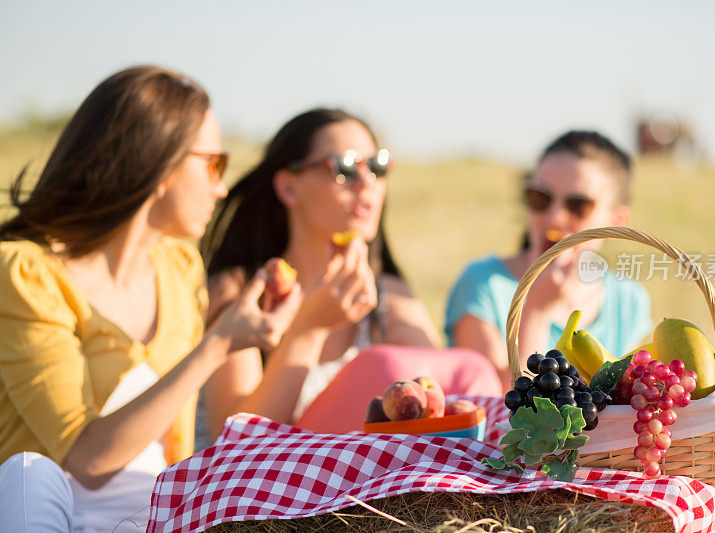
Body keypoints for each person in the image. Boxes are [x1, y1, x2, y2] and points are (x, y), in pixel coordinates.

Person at [0, 66, 302, 532]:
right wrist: (219, 345)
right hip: (44, 512)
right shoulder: (26, 273)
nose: (221, 187)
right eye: (213, 164)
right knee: (29, 473)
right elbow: (85, 459)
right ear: (159, 162)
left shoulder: (180, 269)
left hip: (152, 515)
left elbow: (180, 446)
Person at [199, 108, 501, 436]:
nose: (366, 183)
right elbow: (232, 444)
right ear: (289, 188)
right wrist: (308, 330)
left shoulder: (388, 297)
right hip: (264, 480)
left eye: (377, 166)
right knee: (385, 367)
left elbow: (442, 404)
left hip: (361, 484)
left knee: (468, 374)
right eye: (344, 167)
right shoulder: (245, 292)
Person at [445, 131, 652, 385]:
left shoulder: (627, 300)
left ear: (616, 222)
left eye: (578, 205)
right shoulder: (483, 285)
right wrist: (535, 310)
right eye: (540, 198)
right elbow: (501, 407)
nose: (554, 217)